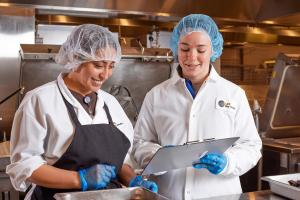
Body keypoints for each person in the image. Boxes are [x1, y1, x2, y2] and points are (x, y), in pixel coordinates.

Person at [6, 24, 157, 200]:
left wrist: (133, 181)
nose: (106, 75)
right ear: (76, 58)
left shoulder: (111, 103)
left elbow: (119, 161)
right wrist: (79, 179)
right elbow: (25, 165)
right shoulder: (39, 100)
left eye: (111, 66)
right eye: (99, 65)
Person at [132, 14, 262, 200]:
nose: (191, 57)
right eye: (185, 48)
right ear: (177, 48)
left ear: (213, 51)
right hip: (169, 194)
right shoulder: (156, 95)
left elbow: (251, 146)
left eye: (201, 50)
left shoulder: (234, 94)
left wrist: (228, 162)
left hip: (220, 195)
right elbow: (139, 143)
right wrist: (157, 156)